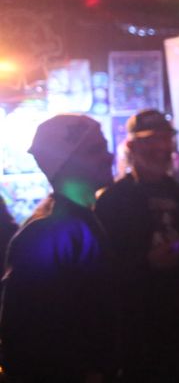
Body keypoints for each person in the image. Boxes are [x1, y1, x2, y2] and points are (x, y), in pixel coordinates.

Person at [95, 108, 179, 383]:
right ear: (131, 146)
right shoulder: (112, 201)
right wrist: (147, 262)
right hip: (144, 330)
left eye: (165, 139)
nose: (161, 147)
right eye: (151, 140)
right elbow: (103, 272)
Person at [0, 114, 118, 382]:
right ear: (66, 163)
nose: (109, 156)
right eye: (95, 150)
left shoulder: (80, 220)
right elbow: (26, 331)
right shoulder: (49, 232)